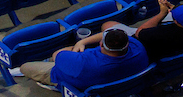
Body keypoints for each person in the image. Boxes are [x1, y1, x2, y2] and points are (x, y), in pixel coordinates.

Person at [15, 26, 148, 92]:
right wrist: (82, 43)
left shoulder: (84, 63)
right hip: (118, 84)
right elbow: (109, 33)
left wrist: (75, 48)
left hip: (67, 76)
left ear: (101, 44)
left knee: (25, 67)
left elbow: (59, 57)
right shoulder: (138, 48)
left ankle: (54, 86)